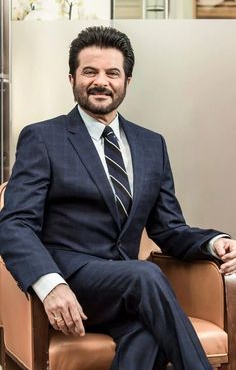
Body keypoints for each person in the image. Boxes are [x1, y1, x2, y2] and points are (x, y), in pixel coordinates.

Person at [0, 26, 236, 370]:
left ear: (127, 80)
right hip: (71, 279)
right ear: (72, 78)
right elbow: (15, 223)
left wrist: (215, 243)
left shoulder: (151, 145)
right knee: (146, 275)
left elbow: (169, 228)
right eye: (89, 72)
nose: (101, 81)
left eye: (112, 73)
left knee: (147, 332)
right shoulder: (43, 138)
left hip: (126, 293)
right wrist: (50, 285)